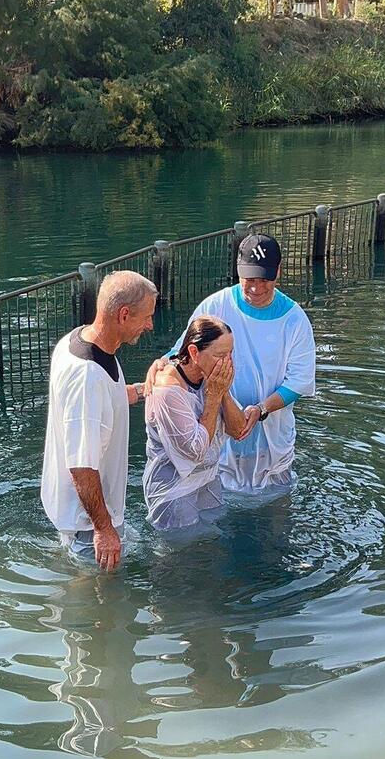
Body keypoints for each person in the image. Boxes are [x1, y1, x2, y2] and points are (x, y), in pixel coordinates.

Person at [145, 232, 315, 497]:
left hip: (271, 436)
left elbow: (299, 381)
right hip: (221, 431)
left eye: (264, 279)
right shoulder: (215, 305)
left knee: (275, 511)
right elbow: (183, 350)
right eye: (249, 279)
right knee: (220, 506)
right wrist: (160, 363)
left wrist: (262, 409)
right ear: (237, 272)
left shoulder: (294, 319)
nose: (256, 288)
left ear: (278, 272)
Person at [41, 269, 157, 571]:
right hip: (88, 525)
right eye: (145, 317)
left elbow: (106, 402)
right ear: (123, 315)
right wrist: (103, 530)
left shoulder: (78, 340)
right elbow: (81, 465)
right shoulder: (87, 377)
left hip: (81, 518)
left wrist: (145, 390)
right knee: (100, 597)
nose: (150, 325)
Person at [143, 316, 247, 532]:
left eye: (231, 353)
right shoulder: (168, 388)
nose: (227, 362)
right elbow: (195, 452)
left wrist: (223, 392)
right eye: (220, 355)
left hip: (207, 480)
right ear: (193, 352)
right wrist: (214, 396)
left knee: (213, 553)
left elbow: (239, 430)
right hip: (173, 490)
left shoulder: (212, 378)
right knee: (184, 559)